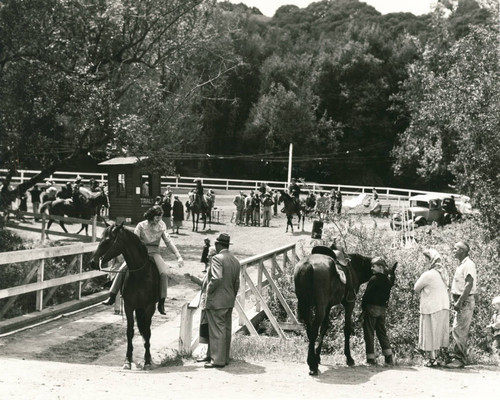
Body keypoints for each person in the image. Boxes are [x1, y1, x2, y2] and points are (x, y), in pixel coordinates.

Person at [102, 205, 184, 315]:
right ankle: (112, 295)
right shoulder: (141, 225)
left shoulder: (162, 225)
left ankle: (161, 301)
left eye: (160, 217)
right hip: (141, 252)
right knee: (122, 269)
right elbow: (134, 241)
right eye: (157, 217)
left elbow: (168, 242)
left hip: (154, 252)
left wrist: (178, 256)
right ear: (151, 216)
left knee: (164, 273)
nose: (159, 220)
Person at [202, 233, 240, 368]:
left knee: (217, 329)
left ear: (218, 245)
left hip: (217, 300)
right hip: (229, 299)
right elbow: (237, 283)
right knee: (226, 329)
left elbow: (216, 278)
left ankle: (217, 360)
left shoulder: (217, 259)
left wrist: (209, 291)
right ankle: (224, 358)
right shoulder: (235, 260)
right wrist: (232, 296)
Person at [414, 249, 450, 367]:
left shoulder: (428, 274)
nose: (424, 262)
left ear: (431, 260)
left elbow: (416, 288)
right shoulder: (443, 273)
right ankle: (440, 358)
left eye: (426, 260)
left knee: (430, 332)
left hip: (432, 307)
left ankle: (431, 359)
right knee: (439, 332)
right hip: (443, 306)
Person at [446, 241, 477, 369]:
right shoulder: (462, 265)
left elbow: (469, 284)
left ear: (463, 251)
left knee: (460, 330)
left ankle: (459, 359)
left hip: (464, 301)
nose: (453, 250)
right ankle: (457, 357)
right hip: (461, 301)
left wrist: (460, 301)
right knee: (457, 329)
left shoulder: (469, 264)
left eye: (455, 248)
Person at [361, 256, 396, 366]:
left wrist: (363, 308)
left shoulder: (374, 279)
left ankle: (371, 359)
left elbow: (367, 295)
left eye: (374, 266)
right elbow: (391, 281)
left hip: (371, 308)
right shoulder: (387, 280)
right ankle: (388, 358)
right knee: (382, 333)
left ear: (380, 267)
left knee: (369, 333)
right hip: (382, 310)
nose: (371, 268)